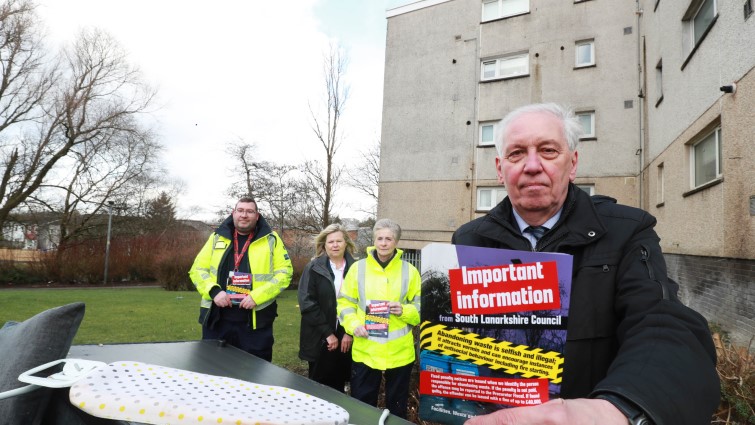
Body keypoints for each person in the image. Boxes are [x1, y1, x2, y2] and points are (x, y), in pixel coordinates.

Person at [452, 103, 719, 425]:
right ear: (500, 168)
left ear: (573, 163)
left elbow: (662, 322)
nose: (532, 165)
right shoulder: (468, 240)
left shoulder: (626, 231)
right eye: (517, 154)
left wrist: (622, 408)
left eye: (548, 151)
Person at [189, 197, 293, 362]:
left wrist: (257, 297)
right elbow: (197, 270)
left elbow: (284, 273)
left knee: (255, 376)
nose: (244, 215)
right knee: (214, 373)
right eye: (241, 210)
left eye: (250, 211)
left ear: (257, 216)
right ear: (233, 213)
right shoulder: (217, 237)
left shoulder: (271, 239)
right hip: (217, 321)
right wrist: (214, 291)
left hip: (255, 324)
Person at [337, 219, 421, 419]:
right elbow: (344, 303)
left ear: (396, 242)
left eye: (388, 239)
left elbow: (420, 309)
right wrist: (353, 325)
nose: (383, 243)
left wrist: (404, 310)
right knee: (362, 406)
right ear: (374, 240)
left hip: (399, 353)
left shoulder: (410, 271)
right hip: (366, 349)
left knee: (397, 409)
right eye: (380, 238)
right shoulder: (358, 269)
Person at [298, 224, 357, 392]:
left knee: (340, 385)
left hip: (347, 334)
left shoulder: (357, 269)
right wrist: (328, 334)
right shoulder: (314, 268)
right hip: (320, 335)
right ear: (324, 245)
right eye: (331, 242)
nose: (335, 245)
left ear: (346, 243)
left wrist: (349, 332)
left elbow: (362, 303)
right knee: (318, 387)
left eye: (339, 241)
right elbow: (307, 302)